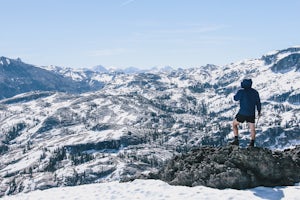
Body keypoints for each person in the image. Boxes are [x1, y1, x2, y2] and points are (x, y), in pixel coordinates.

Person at [230, 79, 261, 147]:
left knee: (234, 124)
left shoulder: (241, 91)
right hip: (251, 113)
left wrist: (236, 93)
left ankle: (236, 140)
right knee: (252, 128)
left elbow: (235, 98)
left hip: (242, 113)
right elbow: (258, 102)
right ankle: (252, 143)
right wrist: (259, 111)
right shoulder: (255, 92)